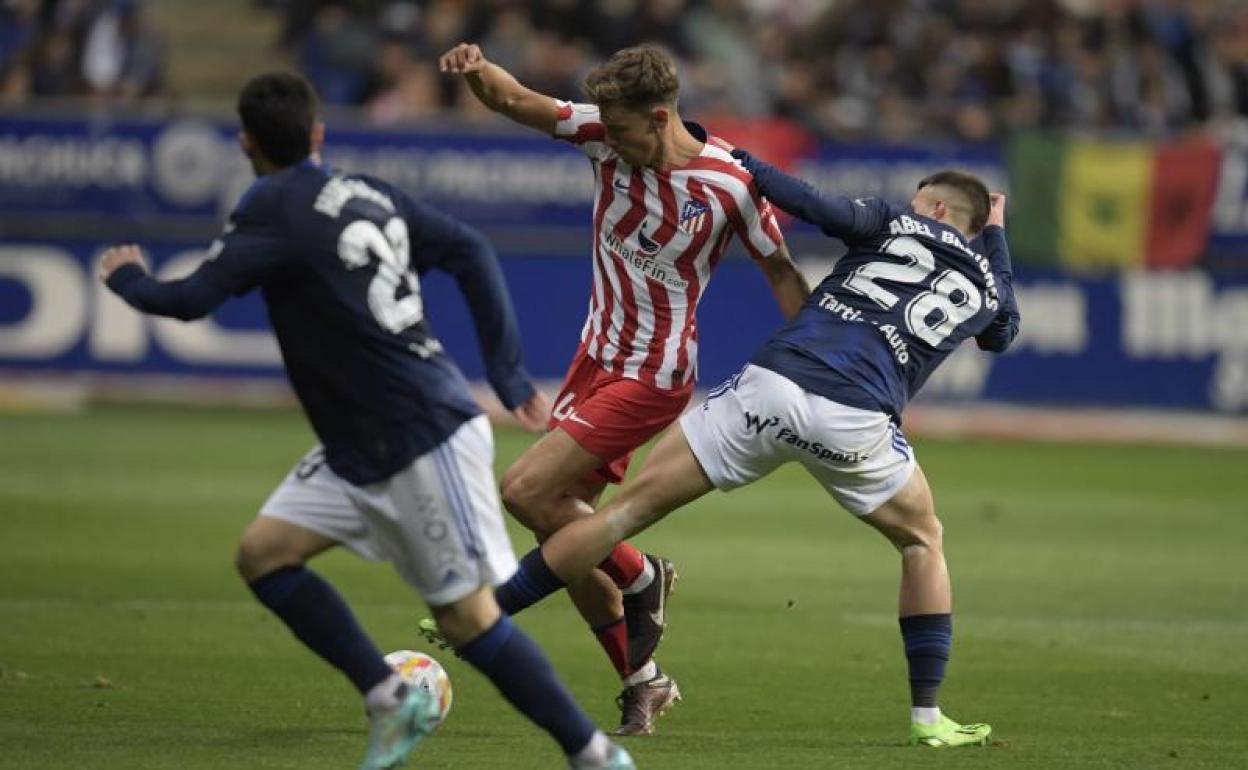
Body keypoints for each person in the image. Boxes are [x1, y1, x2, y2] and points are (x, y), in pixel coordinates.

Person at [98, 71, 634, 770]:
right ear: (318, 136)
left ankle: (593, 754)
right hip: (361, 441)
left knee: (467, 620)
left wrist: (126, 279)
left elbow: (191, 299)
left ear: (245, 142)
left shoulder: (270, 205)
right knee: (263, 555)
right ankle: (388, 696)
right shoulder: (365, 191)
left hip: (417, 435)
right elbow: (470, 248)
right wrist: (504, 373)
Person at [485, 150, 1021, 748]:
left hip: (771, 386)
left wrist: (739, 160)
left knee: (619, 514)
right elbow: (1002, 332)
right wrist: (994, 235)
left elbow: (809, 202)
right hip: (857, 419)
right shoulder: (984, 285)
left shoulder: (893, 222)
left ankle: (483, 615)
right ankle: (928, 718)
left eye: (922, 200)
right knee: (923, 541)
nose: (914, 207)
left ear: (938, 208)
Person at [436, 42, 811, 736]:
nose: (608, 140)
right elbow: (517, 101)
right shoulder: (604, 135)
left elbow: (783, 272)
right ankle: (643, 679)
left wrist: (820, 360)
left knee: (525, 491)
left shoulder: (729, 184)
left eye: (622, 130)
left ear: (662, 116)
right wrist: (477, 69)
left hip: (655, 374)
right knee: (562, 519)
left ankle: (641, 576)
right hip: (594, 362)